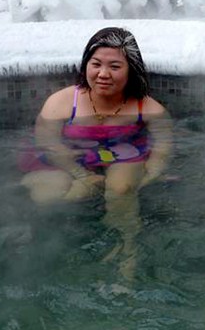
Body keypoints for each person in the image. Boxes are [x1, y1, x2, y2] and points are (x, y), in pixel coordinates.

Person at [19, 26, 172, 275]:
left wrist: (148, 177)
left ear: (131, 70)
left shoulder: (149, 109)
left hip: (124, 151)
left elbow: (163, 148)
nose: (103, 74)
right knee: (44, 197)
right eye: (96, 64)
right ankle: (82, 197)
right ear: (85, 65)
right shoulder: (61, 103)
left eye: (114, 66)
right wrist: (80, 175)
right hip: (70, 154)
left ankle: (127, 250)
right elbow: (47, 141)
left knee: (122, 189)